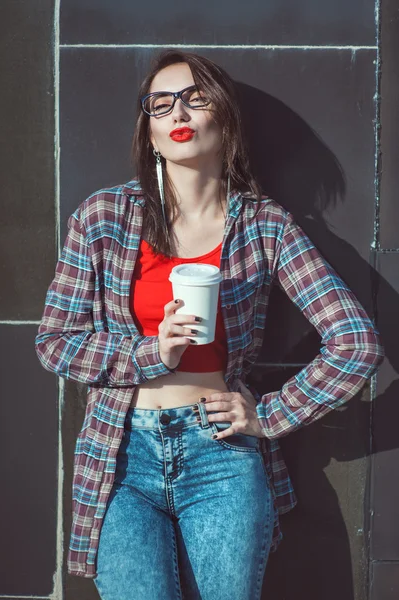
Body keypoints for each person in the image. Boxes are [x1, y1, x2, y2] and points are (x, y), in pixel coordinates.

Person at [35, 50, 384, 600]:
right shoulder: (101, 218)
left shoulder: (265, 225)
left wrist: (269, 415)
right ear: (148, 131)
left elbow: (355, 342)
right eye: (162, 103)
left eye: (197, 99)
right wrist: (152, 353)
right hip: (120, 458)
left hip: (221, 454)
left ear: (224, 120)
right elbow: (55, 344)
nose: (179, 113)